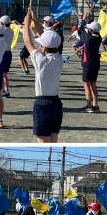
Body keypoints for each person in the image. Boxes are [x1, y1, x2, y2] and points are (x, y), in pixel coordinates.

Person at [23, 8, 64, 143]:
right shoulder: (59, 57)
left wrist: (27, 22)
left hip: (42, 103)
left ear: (44, 47)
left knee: (42, 142)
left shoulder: (41, 60)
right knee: (53, 141)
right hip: (56, 103)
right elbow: (48, 39)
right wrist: (34, 19)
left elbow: (27, 41)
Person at [78, 12, 102, 113]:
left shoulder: (88, 38)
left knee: (86, 84)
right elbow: (87, 31)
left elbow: (80, 31)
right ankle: (95, 105)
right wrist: (87, 21)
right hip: (95, 63)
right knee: (93, 84)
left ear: (91, 30)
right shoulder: (99, 37)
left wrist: (83, 19)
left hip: (88, 63)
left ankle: (89, 106)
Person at [0, 15, 14, 98]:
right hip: (8, 53)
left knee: (1, 74)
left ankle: (2, 90)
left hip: (2, 53)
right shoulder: (11, 31)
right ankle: (6, 90)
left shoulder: (2, 30)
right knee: (4, 74)